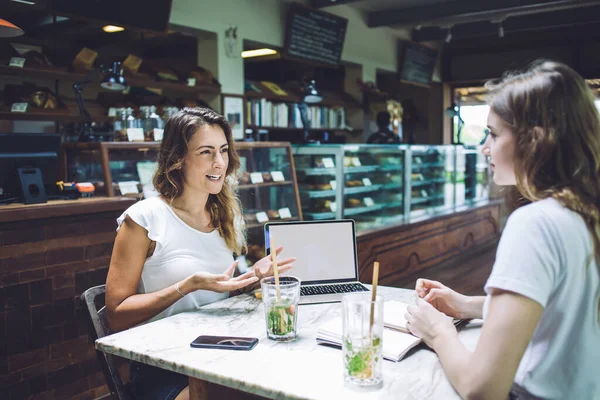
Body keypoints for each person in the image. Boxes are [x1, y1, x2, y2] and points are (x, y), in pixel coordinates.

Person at [405, 60, 599, 399]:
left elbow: (483, 388)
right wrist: (468, 304)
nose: (484, 148)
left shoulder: (536, 223)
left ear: (535, 141)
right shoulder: (584, 213)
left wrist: (437, 332)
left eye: (493, 134)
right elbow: (559, 306)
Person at [105, 107, 295, 400]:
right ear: (178, 159)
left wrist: (251, 279)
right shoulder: (143, 218)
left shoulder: (222, 215)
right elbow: (116, 316)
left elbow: (213, 296)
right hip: (163, 364)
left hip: (217, 351)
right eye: (206, 152)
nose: (219, 162)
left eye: (223, 151)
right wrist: (185, 286)